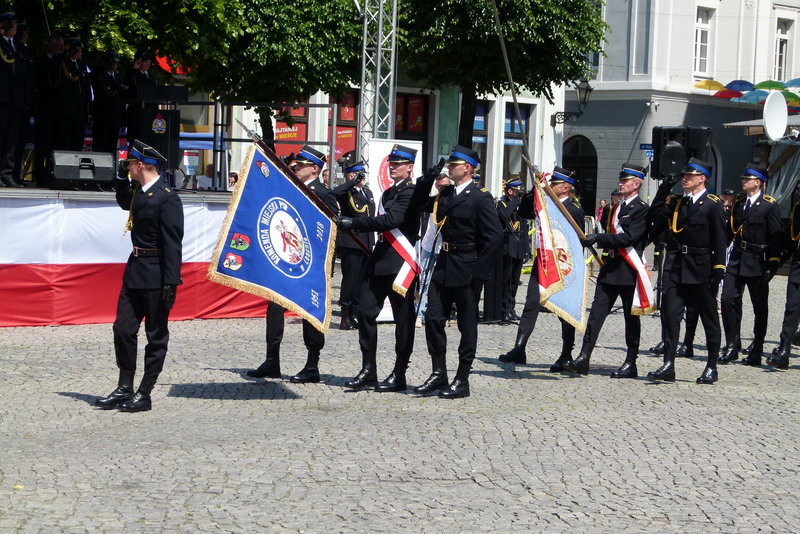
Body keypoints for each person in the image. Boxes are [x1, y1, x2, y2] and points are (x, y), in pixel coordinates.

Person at [95, 140, 184, 412]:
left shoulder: (167, 197)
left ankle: (144, 392)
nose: (128, 168)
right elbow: (124, 202)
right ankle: (125, 386)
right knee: (123, 329)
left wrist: (171, 282)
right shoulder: (139, 191)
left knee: (155, 335)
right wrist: (121, 178)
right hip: (134, 270)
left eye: (130, 164)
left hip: (157, 274)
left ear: (141, 164)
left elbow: (173, 243)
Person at [415, 145, 502, 398]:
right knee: (433, 318)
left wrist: (479, 273)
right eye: (449, 164)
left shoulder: (480, 197)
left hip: (467, 266)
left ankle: (462, 378)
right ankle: (438, 372)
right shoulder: (446, 194)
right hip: (444, 263)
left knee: (467, 324)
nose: (450, 168)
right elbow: (420, 204)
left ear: (469, 168)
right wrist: (428, 178)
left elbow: (494, 237)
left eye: (455, 164)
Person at [338, 145, 427, 391]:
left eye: (398, 164)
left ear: (409, 167)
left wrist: (355, 223)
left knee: (403, 320)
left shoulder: (411, 192)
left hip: (400, 264)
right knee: (366, 312)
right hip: (380, 261)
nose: (393, 167)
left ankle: (399, 373)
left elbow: (393, 220)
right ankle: (369, 369)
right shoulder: (387, 193)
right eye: (391, 163)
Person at [247, 145, 338, 383]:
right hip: (285, 259)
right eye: (296, 164)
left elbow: (330, 234)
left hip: (311, 265)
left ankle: (312, 364)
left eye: (302, 165)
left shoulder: (324, 194)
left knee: (311, 313)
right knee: (274, 308)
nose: (296, 167)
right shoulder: (291, 189)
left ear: (315, 170)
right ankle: (272, 360)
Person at [565, 163, 651, 377]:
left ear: (636, 183)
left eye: (625, 181)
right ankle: (584, 356)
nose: (621, 184)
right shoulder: (615, 207)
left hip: (628, 270)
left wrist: (599, 238)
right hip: (610, 268)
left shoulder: (641, 209)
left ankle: (631, 361)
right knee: (596, 314)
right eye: (620, 180)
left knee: (631, 318)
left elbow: (629, 238)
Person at [648, 157, 727, 384]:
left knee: (708, 318)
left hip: (701, 267)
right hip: (677, 265)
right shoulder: (680, 203)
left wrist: (718, 271)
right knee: (670, 315)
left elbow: (720, 241)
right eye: (684, 176)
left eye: (689, 176)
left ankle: (711, 365)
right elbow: (656, 213)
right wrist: (664, 188)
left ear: (702, 178)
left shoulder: (713, 204)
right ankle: (668, 364)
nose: (685, 179)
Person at [498, 167, 585, 370]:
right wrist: (534, 188)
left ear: (565, 187)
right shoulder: (545, 204)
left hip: (563, 266)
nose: (551, 186)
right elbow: (523, 211)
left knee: (564, 311)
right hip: (544, 264)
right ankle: (519, 348)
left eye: (554, 184)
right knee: (530, 305)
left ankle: (566, 353)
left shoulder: (573, 209)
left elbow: (577, 241)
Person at [719, 164, 782, 366]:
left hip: (757, 260)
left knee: (759, 307)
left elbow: (775, 237)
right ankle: (732, 344)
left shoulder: (769, 205)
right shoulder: (739, 203)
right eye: (743, 178)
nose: (743, 181)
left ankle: (757, 348)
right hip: (737, 257)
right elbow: (730, 231)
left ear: (758, 182)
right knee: (728, 299)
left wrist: (773, 264)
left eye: (748, 179)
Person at [331, 160, 375, 331]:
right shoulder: (346, 192)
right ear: (349, 175)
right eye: (356, 174)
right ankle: (345, 316)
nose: (360, 178)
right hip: (352, 242)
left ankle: (355, 313)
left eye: (361, 174)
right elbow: (334, 192)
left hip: (366, 242)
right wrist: (351, 182)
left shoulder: (367, 192)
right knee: (350, 280)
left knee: (361, 281)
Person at [768, 178, 800, 369]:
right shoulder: (798, 208)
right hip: (799, 265)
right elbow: (792, 239)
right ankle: (784, 350)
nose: (797, 187)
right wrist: (777, 261)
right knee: (792, 308)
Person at [32, 34, 63, 187]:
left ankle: (53, 175)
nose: (60, 49)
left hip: (59, 112)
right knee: (42, 147)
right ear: (50, 46)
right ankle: (39, 176)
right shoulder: (41, 61)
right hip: (44, 110)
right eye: (57, 45)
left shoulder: (64, 63)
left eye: (61, 46)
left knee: (54, 147)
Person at [496, 179, 530, 321]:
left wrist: (527, 248)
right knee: (506, 280)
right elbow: (505, 216)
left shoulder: (519, 204)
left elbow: (524, 227)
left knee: (515, 281)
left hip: (518, 246)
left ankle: (511, 307)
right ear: (510, 191)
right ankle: (503, 309)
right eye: (516, 191)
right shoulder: (502, 203)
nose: (518, 193)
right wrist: (516, 201)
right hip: (507, 247)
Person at [0, 12, 26, 187]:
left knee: (11, 140)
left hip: (15, 99)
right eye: (14, 25)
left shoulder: (18, 46)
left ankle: (6, 173)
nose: (16, 28)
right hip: (1, 98)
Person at [51, 37, 90, 152]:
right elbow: (54, 79)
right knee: (63, 142)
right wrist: (66, 56)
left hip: (79, 110)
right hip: (65, 110)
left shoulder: (81, 65)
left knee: (77, 142)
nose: (80, 53)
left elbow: (86, 86)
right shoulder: (61, 62)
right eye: (77, 50)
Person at [91, 52, 126, 155]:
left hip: (115, 117)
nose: (114, 65)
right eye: (112, 63)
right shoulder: (100, 75)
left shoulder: (118, 77)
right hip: (103, 115)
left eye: (115, 63)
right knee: (100, 144)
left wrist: (123, 117)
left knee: (112, 145)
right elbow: (107, 91)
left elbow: (121, 98)